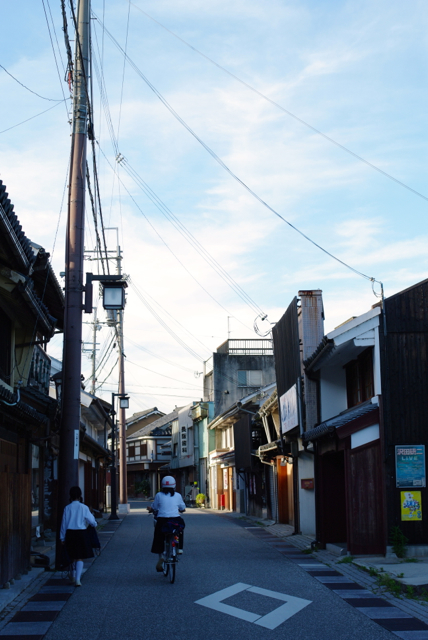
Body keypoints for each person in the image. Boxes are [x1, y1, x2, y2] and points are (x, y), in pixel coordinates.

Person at [60, 486, 97, 586]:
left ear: (70, 496)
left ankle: (72, 575)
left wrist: (62, 537)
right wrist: (94, 524)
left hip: (70, 533)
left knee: (72, 555)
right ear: (80, 495)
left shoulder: (67, 508)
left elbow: (64, 524)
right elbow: (92, 521)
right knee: (80, 557)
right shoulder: (84, 507)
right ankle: (78, 579)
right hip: (81, 533)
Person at [147, 476, 185, 572]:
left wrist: (151, 509)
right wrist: (181, 509)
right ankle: (179, 547)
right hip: (175, 520)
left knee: (159, 536)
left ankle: (161, 554)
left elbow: (155, 507)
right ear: (174, 485)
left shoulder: (159, 495)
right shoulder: (178, 495)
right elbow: (182, 508)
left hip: (162, 520)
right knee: (179, 529)